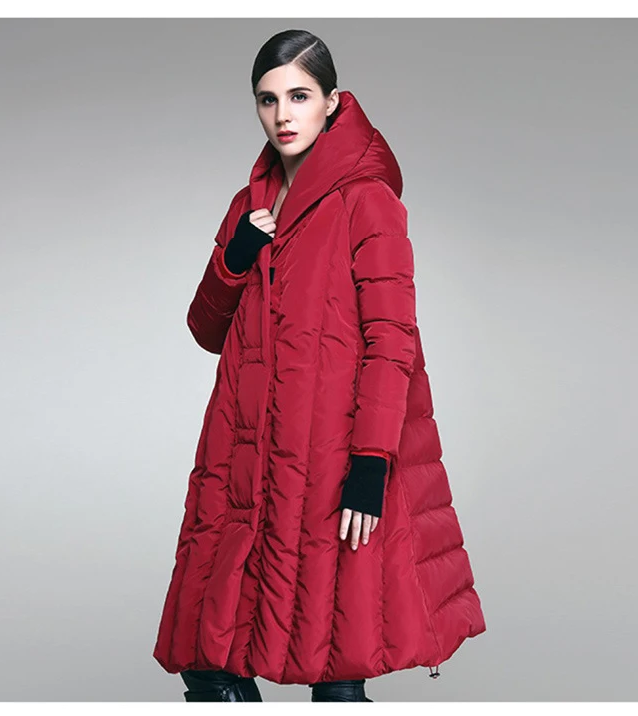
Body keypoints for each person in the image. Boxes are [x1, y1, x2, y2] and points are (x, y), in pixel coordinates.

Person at [152, 29, 487, 702]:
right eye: (268, 99)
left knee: (335, 658)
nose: (283, 115)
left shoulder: (368, 200)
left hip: (333, 458)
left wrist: (370, 466)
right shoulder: (248, 206)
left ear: (332, 102)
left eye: (299, 96)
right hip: (244, 460)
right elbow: (205, 329)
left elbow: (392, 341)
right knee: (209, 657)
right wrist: (236, 255)